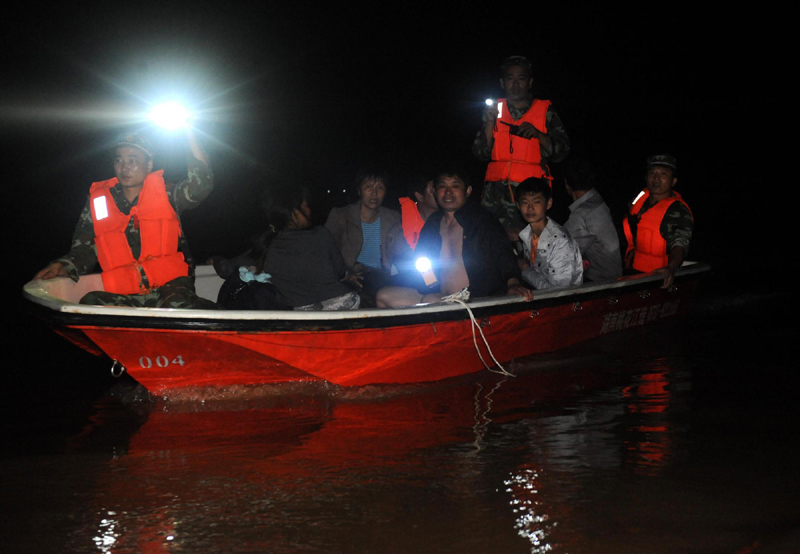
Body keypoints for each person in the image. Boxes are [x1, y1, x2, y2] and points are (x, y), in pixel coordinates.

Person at [34, 132, 215, 308]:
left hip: (170, 289)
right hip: (124, 294)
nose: (124, 167)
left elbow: (201, 185)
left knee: (177, 304)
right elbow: (84, 249)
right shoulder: (100, 202)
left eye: (133, 160)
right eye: (119, 160)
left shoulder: (169, 194)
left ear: (149, 164)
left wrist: (189, 133)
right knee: (91, 301)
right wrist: (63, 266)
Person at [376, 165, 531, 307]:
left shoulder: (482, 220)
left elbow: (503, 254)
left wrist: (513, 283)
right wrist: (430, 286)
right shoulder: (432, 224)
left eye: (455, 186)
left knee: (431, 301)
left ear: (468, 191)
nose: (448, 192)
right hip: (438, 296)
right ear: (436, 192)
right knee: (383, 296)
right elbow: (421, 261)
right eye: (442, 186)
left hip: (473, 299)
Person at [213, 184, 360, 310]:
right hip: (343, 306)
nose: (309, 210)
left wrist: (216, 259)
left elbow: (225, 269)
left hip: (305, 314)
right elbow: (340, 271)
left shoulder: (265, 246)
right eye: (306, 206)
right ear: (295, 212)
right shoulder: (321, 234)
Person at [473, 55, 570, 241]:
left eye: (521, 78)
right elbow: (480, 154)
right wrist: (489, 123)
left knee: (531, 252)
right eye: (510, 78)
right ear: (502, 82)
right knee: (492, 247)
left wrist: (538, 135)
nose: (515, 85)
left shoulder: (545, 111)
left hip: (529, 201)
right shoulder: (495, 110)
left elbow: (561, 153)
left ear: (530, 82)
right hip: (495, 200)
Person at [324, 167, 411, 299]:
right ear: (359, 190)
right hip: (352, 276)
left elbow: (403, 250)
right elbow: (325, 251)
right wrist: (344, 274)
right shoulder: (340, 215)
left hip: (382, 275)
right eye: (368, 187)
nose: (374, 193)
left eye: (380, 188)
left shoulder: (393, 217)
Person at [623, 154, 693, 289]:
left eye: (663, 174)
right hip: (632, 270)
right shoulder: (641, 198)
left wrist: (671, 268)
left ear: (673, 181)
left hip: (658, 277)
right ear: (646, 177)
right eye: (652, 173)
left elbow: (680, 243)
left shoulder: (677, 210)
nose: (656, 178)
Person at [562, 157, 622, 282]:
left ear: (566, 184)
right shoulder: (598, 202)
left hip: (600, 282)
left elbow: (562, 253)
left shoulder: (582, 213)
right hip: (613, 277)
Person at [516, 177, 583, 289]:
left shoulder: (560, 241)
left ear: (548, 203)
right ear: (518, 205)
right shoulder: (527, 234)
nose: (530, 208)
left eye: (537, 202)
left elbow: (558, 291)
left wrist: (524, 270)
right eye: (525, 202)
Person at [398, 174, 439, 250]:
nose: (437, 193)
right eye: (431, 190)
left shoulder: (452, 217)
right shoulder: (399, 214)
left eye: (439, 188)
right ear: (419, 196)